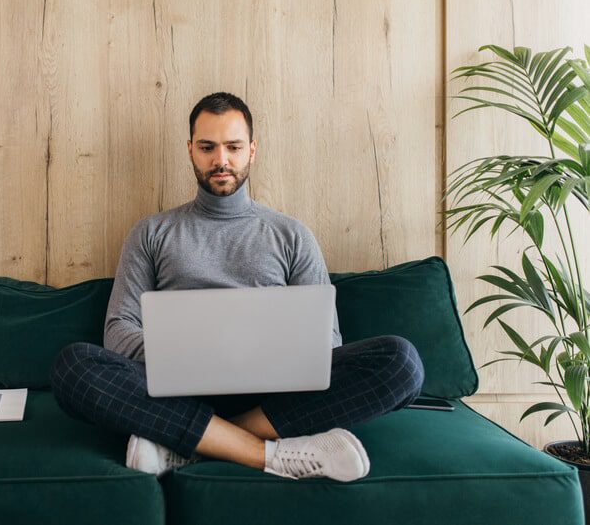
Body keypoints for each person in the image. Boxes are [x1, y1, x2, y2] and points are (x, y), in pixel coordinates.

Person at [50, 92, 424, 481]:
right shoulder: (151, 232)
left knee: (402, 363)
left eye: (233, 147)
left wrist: (261, 355)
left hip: (273, 397)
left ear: (252, 150)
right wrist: (186, 353)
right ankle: (267, 452)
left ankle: (190, 442)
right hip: (172, 389)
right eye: (208, 147)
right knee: (73, 367)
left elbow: (326, 342)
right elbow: (118, 331)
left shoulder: (291, 234)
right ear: (190, 150)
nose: (221, 160)